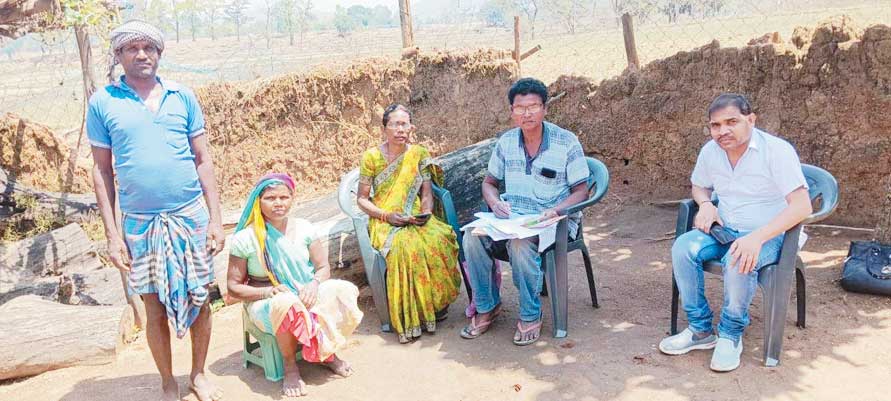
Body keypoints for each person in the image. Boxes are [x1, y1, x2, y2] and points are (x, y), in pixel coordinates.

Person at [87, 20, 224, 401]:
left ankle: (198, 374)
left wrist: (215, 218)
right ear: (119, 55)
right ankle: (167, 381)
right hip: (140, 226)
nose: (142, 54)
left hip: (190, 216)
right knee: (153, 306)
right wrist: (113, 236)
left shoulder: (182, 96)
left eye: (149, 48)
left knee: (201, 298)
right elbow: (101, 170)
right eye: (132, 48)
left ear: (160, 54)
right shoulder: (104, 102)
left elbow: (203, 159)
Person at [658, 93, 812, 372]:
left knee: (739, 259)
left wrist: (757, 237)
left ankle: (730, 334)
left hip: (769, 234)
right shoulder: (710, 151)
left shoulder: (776, 151)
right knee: (683, 247)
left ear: (751, 120)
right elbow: (699, 186)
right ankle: (701, 330)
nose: (722, 131)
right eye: (715, 125)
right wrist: (705, 204)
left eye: (732, 122)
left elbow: (802, 206)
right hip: (725, 229)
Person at [460, 78, 590, 346]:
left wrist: (556, 210)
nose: (527, 113)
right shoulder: (506, 142)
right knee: (471, 237)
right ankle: (487, 306)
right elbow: (489, 183)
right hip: (515, 217)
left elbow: (581, 191)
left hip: (555, 220)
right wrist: (495, 203)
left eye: (533, 106)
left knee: (520, 245)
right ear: (512, 111)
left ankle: (531, 312)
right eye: (520, 108)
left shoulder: (566, 142)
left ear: (545, 109)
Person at [227, 173, 362, 398]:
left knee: (342, 289)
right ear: (258, 202)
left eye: (284, 197)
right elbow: (233, 287)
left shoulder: (305, 228)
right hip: (266, 301)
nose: (278, 203)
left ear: (292, 198)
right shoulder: (246, 238)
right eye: (270, 198)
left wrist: (314, 284)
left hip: (305, 290)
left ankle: (327, 352)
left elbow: (322, 268)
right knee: (286, 303)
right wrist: (267, 291)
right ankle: (290, 367)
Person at [356, 103, 463, 344]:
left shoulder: (419, 153)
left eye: (405, 124)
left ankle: (437, 305)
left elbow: (427, 192)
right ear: (384, 128)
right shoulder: (371, 157)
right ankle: (412, 316)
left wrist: (425, 214)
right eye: (395, 124)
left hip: (414, 213)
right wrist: (386, 216)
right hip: (384, 218)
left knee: (440, 237)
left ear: (411, 127)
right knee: (405, 248)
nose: (400, 129)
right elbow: (362, 199)